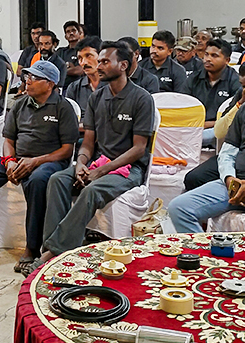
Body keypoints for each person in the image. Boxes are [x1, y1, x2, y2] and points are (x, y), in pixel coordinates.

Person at [32, 42, 155, 268]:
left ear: (123, 65)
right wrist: (80, 163)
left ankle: (51, 253)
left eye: (105, 62)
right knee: (58, 179)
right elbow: (88, 142)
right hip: (100, 162)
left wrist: (101, 171)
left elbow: (139, 148)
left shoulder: (141, 98)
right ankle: (55, 249)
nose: (99, 66)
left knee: (91, 190)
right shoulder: (97, 98)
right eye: (99, 61)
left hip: (129, 169)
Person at [0, 61, 78, 273]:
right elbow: (8, 139)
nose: (27, 81)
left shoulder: (63, 107)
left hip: (48, 162)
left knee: (38, 182)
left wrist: (36, 161)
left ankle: (32, 247)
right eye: (27, 77)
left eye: (34, 78)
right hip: (17, 158)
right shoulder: (20, 104)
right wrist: (10, 161)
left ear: (50, 84)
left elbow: (67, 150)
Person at [168, 51, 245, 234]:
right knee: (179, 208)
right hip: (235, 183)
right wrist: (229, 178)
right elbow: (228, 151)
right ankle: (205, 258)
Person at [183, 58, 245, 191]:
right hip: (237, 153)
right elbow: (219, 132)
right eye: (243, 85)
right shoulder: (242, 96)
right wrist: (241, 103)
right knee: (193, 178)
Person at [181, 38, 241, 148]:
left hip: (220, 130)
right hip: (193, 127)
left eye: (214, 56)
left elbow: (233, 118)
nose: (208, 59)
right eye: (206, 54)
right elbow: (183, 107)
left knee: (201, 137)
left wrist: (209, 124)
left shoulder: (235, 82)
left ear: (227, 60)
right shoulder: (194, 78)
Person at [64, 36, 103, 120]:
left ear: (101, 56)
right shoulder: (74, 88)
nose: (83, 62)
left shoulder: (113, 86)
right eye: (80, 58)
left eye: (89, 56)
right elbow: (69, 120)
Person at [57, 21, 84, 89]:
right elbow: (54, 69)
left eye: (73, 31)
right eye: (68, 32)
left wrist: (62, 69)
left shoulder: (83, 51)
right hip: (62, 88)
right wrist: (71, 68)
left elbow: (79, 70)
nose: (71, 33)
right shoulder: (60, 51)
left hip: (78, 88)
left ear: (80, 33)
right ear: (65, 36)